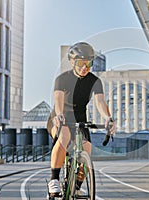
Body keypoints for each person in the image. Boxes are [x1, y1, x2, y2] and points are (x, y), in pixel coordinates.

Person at [47, 42, 116, 197]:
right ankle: (54, 180)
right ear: (72, 62)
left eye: (88, 64)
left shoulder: (95, 81)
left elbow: (100, 102)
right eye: (80, 63)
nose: (85, 67)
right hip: (60, 116)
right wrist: (59, 115)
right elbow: (58, 100)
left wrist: (108, 118)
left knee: (87, 150)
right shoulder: (62, 79)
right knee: (64, 136)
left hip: (80, 118)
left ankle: (77, 186)